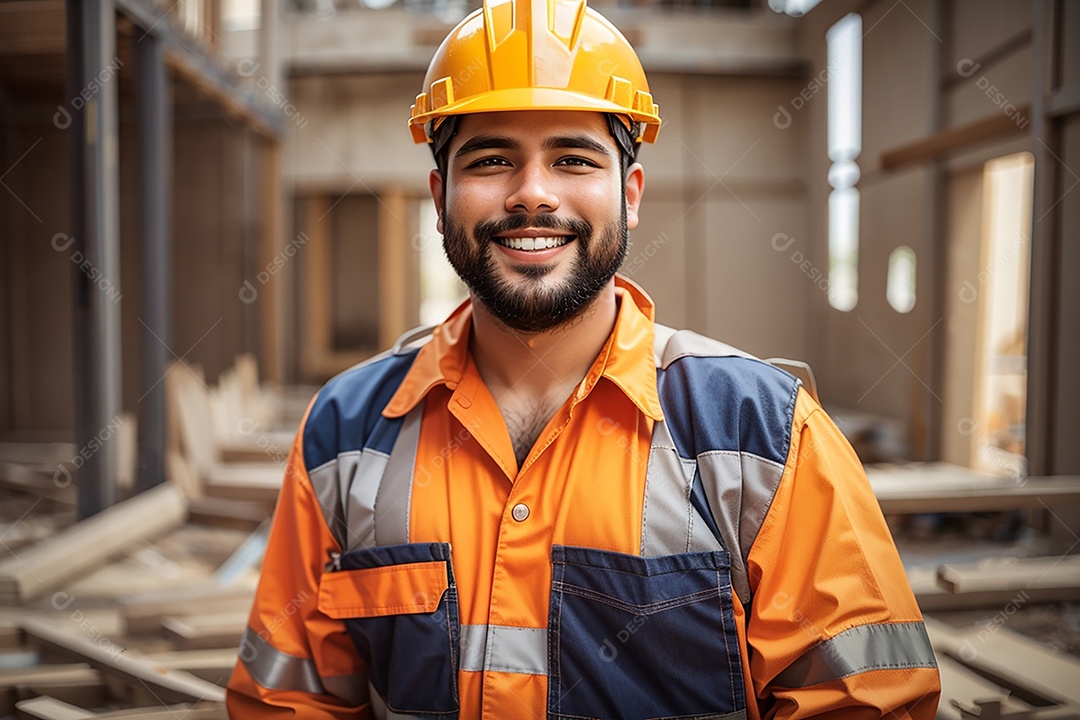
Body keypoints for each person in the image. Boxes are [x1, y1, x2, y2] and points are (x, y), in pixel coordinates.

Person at [226, 0, 941, 715]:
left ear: (629, 196)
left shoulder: (765, 435)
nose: (532, 192)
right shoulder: (343, 436)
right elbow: (286, 704)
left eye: (572, 158)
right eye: (491, 159)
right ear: (441, 197)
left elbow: (870, 704)